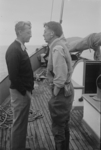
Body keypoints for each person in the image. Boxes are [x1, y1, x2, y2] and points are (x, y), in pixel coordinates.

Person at [43, 21, 74, 150]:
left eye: (45, 32)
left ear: (52, 33)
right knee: (64, 126)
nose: (43, 34)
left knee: (58, 130)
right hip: (67, 92)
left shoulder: (56, 48)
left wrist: (54, 95)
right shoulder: (60, 44)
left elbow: (60, 79)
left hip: (61, 93)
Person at [5, 21, 34, 150]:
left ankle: (20, 147)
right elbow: (13, 77)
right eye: (28, 32)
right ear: (20, 32)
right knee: (19, 123)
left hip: (23, 91)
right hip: (20, 93)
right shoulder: (14, 50)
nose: (31, 35)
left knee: (22, 123)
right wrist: (25, 92)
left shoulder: (20, 47)